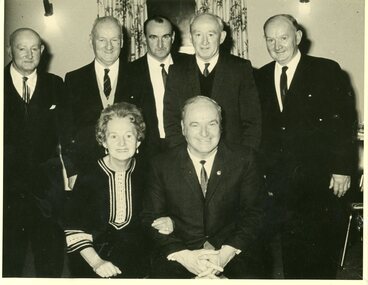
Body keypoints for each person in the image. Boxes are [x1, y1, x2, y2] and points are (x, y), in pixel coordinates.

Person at [255, 14, 355, 279]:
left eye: (283, 38)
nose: (277, 46)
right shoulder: (260, 77)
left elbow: (344, 122)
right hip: (279, 182)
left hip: (319, 178)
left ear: (298, 37)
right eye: (270, 39)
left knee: (319, 251)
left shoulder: (326, 70)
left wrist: (343, 168)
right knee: (288, 251)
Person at [142, 96, 265, 279]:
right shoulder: (161, 165)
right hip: (182, 253)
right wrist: (185, 256)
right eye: (195, 125)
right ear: (183, 128)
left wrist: (225, 254)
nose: (204, 133)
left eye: (212, 124)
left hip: (231, 251)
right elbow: (149, 218)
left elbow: (255, 213)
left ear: (221, 126)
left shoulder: (245, 159)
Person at [64, 102, 172, 278]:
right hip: (94, 262)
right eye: (113, 136)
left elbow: (162, 211)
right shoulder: (88, 175)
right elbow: (73, 228)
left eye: (129, 135)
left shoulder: (148, 172)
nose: (122, 143)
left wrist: (169, 221)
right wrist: (97, 263)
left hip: (138, 262)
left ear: (138, 139)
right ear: (103, 140)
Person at [3, 28, 65, 277]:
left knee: (49, 259)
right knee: (9, 260)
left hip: (46, 190)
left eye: (34, 48)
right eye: (21, 48)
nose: (29, 54)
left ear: (42, 50)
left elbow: (67, 132)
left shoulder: (55, 85)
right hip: (6, 188)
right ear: (10, 50)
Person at [163, 13, 261, 151]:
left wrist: (244, 158)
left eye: (211, 34)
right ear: (191, 38)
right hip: (188, 158)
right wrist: (182, 157)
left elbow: (252, 121)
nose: (204, 42)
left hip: (232, 157)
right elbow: (171, 121)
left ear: (222, 37)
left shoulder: (240, 69)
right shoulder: (177, 71)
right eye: (198, 35)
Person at [61, 16, 128, 189]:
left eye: (114, 40)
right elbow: (66, 130)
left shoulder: (139, 76)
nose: (108, 46)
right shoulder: (74, 79)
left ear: (122, 42)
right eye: (102, 40)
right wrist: (72, 170)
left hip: (129, 171)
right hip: (86, 171)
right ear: (91, 41)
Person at [124, 15, 189, 158]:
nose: (160, 44)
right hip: (147, 151)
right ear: (144, 38)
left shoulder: (189, 65)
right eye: (153, 37)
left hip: (185, 145)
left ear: (172, 37)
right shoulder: (129, 72)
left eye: (165, 37)